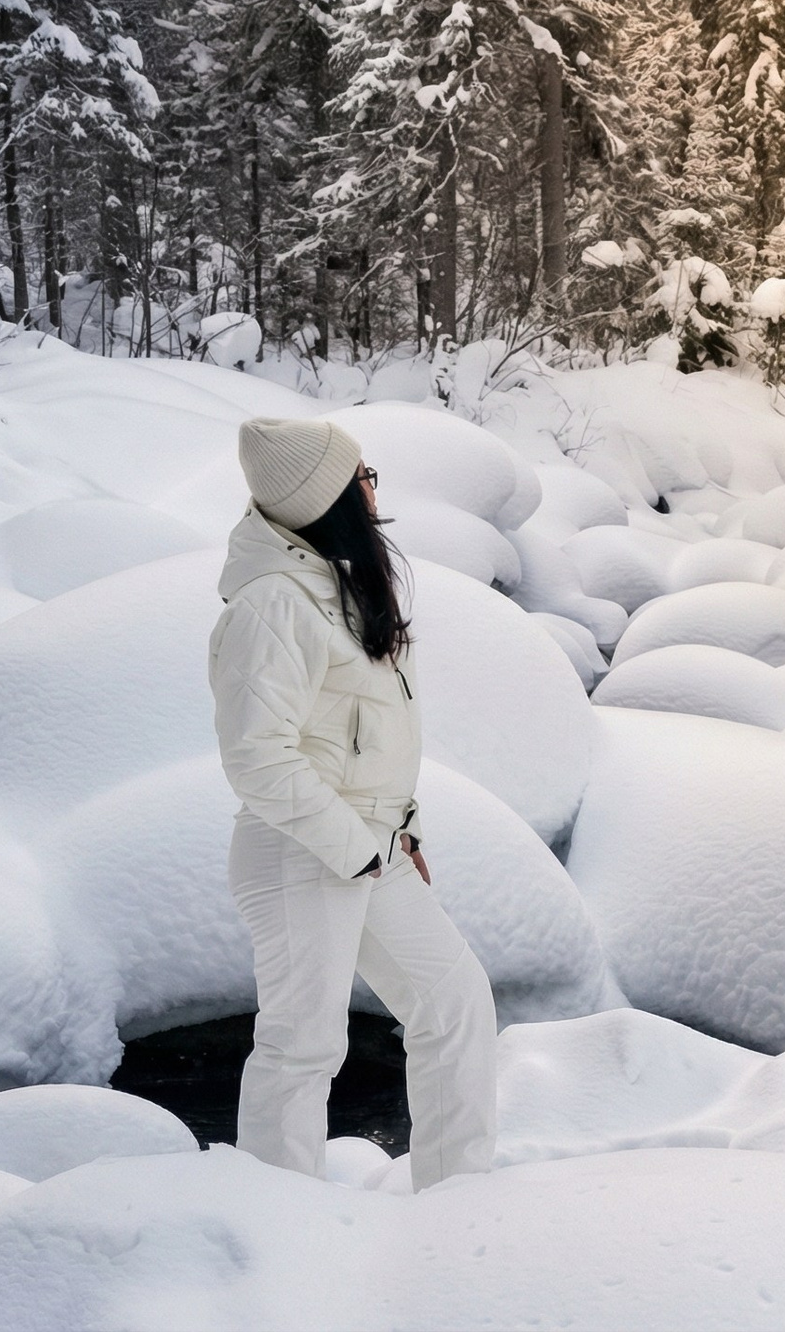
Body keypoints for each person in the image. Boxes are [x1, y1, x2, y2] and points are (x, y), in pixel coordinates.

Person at [208, 416, 497, 1191]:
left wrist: (398, 833)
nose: (373, 486)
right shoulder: (272, 604)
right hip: (303, 849)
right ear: (325, 495)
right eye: (362, 473)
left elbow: (363, 736)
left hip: (366, 846)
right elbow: (258, 757)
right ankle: (277, 1227)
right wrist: (358, 845)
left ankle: (459, 1201)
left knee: (455, 1003)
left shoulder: (330, 581)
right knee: (302, 1046)